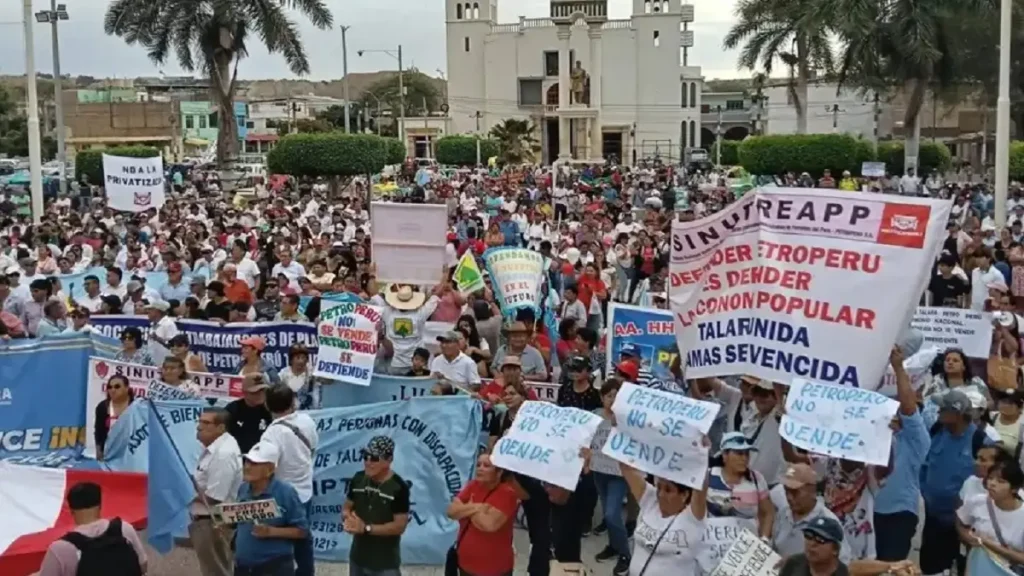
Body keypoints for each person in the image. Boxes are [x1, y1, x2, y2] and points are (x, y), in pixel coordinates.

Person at [261, 385, 319, 576]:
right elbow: (314, 447)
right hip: (305, 493)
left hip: (282, 497)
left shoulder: (271, 434)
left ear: (268, 406)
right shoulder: (307, 421)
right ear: (293, 401)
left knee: (279, 545)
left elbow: (267, 468)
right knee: (304, 540)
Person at [617, 455, 708, 576]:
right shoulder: (650, 501)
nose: (660, 494)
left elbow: (701, 485)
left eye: (668, 490)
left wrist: (700, 452)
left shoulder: (692, 518)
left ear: (684, 495)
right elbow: (626, 467)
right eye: (659, 487)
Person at [39, 481, 147, 576]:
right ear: (100, 506)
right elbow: (142, 565)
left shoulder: (60, 548)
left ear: (71, 511)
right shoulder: (124, 529)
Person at [233, 442, 309, 576]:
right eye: (247, 461)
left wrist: (270, 531)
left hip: (273, 568)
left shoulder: (286, 493)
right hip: (243, 568)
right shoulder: (243, 489)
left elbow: (302, 531)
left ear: (270, 469)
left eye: (255, 463)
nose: (247, 467)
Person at [343, 436, 411, 576]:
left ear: (388, 460)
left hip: (385, 564)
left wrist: (366, 528)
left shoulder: (398, 488)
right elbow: (346, 507)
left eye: (374, 458)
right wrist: (348, 520)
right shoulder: (358, 479)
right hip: (357, 559)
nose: (368, 462)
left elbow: (399, 526)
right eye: (365, 456)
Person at [445, 454, 520, 576]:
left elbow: (488, 525)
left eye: (486, 466)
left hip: (494, 568)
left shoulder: (507, 493)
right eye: (478, 464)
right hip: (465, 564)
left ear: (499, 472)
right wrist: (477, 507)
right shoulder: (473, 485)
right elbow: (451, 511)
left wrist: (465, 509)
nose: (480, 468)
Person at [190, 407, 243, 576]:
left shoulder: (223, 454)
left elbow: (214, 497)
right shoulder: (216, 448)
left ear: (221, 428)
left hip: (213, 521)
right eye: (199, 421)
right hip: (208, 520)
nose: (199, 427)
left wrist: (183, 493)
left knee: (216, 571)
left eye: (206, 423)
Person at [590, 378, 631, 575]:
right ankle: (614, 546)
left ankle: (625, 553)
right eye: (609, 396)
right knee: (607, 510)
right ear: (602, 398)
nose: (612, 400)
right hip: (599, 471)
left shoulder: (628, 420)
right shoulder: (594, 416)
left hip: (618, 474)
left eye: (617, 396)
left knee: (612, 514)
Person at [956, 458, 1024, 566]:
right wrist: (966, 537)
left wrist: (988, 544)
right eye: (990, 478)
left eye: (1001, 481)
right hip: (976, 566)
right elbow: (960, 522)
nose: (992, 483)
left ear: (1014, 489)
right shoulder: (978, 501)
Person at [706, 432, 774, 539]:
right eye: (739, 453)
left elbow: (768, 512)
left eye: (747, 454)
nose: (744, 458)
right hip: (714, 545)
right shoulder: (708, 476)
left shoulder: (757, 479)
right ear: (725, 455)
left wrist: (764, 538)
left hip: (746, 545)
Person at [778, 517, 849, 576]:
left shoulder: (847, 574)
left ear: (835, 549)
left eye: (820, 540)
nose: (812, 543)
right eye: (808, 536)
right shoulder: (793, 563)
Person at [225, 374, 273, 454]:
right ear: (244, 393)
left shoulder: (271, 409)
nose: (260, 395)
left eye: (263, 391)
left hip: (263, 457)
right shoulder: (233, 410)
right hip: (239, 456)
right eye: (255, 392)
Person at [94, 374, 134, 461]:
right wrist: (99, 451)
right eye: (110, 387)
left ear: (127, 388)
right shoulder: (102, 407)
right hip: (110, 454)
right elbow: (99, 432)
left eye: (117, 387)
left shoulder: (137, 406)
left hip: (133, 453)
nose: (113, 390)